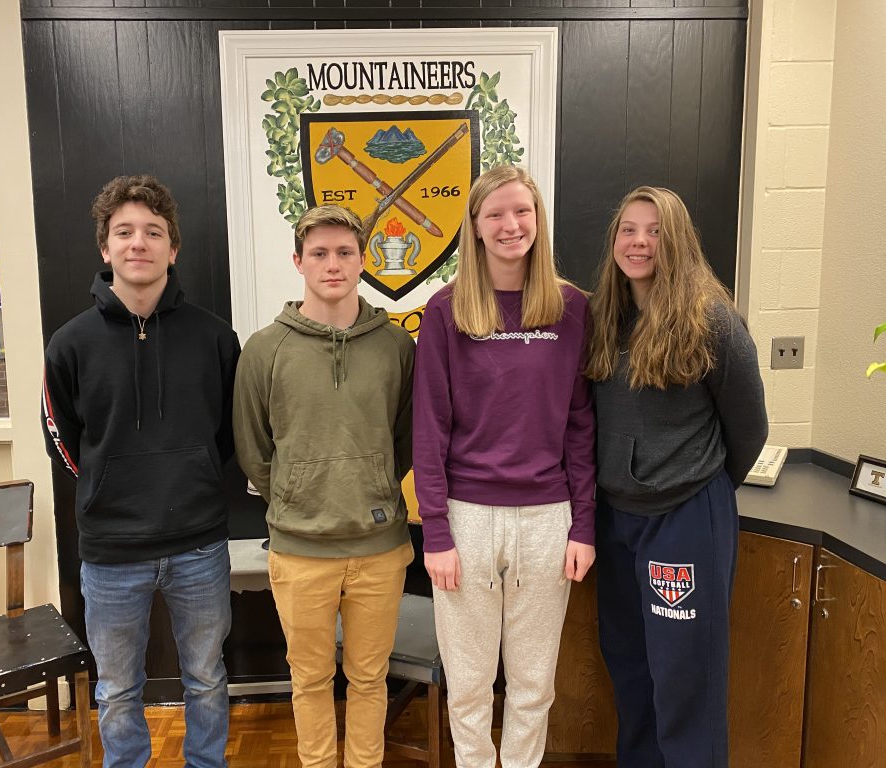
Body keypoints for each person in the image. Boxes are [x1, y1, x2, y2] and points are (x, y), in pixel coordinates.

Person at [41, 174, 240, 768]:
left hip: (198, 543)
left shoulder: (214, 337)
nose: (138, 243)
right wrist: (105, 485)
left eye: (153, 232)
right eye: (124, 232)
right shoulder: (70, 343)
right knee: (117, 688)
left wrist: (195, 475)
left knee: (206, 677)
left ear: (172, 249)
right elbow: (61, 437)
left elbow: (229, 432)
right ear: (105, 248)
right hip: (111, 550)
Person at [413, 165, 596, 768]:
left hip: (548, 519)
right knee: (467, 684)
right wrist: (435, 533)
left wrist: (583, 524)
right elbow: (430, 428)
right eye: (495, 214)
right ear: (474, 226)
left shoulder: (571, 308)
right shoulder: (446, 310)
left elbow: (580, 426)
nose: (510, 224)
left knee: (533, 684)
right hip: (465, 519)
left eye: (522, 211)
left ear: (538, 218)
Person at [585, 186, 768, 768]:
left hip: (684, 519)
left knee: (686, 677)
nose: (639, 242)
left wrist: (695, 486)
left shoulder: (713, 322)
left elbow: (750, 430)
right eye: (629, 230)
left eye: (656, 231)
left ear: (679, 241)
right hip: (616, 517)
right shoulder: (603, 319)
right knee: (630, 665)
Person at [232, 205, 415, 768]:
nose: (332, 264)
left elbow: (407, 436)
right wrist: (296, 495)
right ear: (298, 261)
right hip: (299, 550)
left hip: (379, 547)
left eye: (344, 252)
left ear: (362, 261)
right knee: (309, 679)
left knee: (369, 678)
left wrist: (371, 484)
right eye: (319, 253)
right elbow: (253, 447)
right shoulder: (265, 349)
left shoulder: (396, 346)